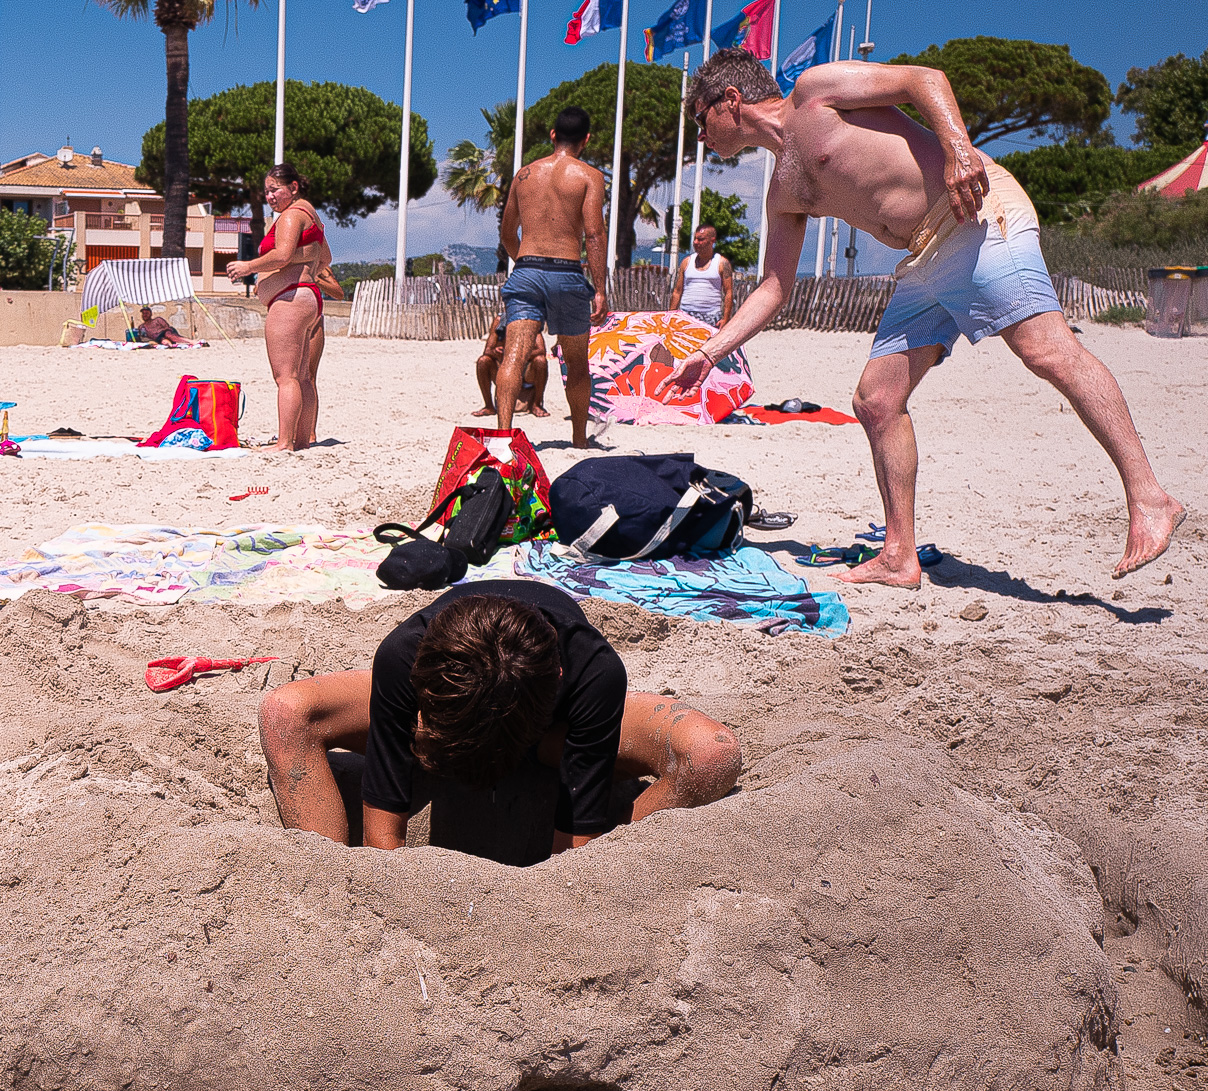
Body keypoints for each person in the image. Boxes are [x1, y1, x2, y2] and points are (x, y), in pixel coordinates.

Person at [670, 49, 1184, 585]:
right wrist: (710, 353)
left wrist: (960, 152)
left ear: (730, 101)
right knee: (877, 399)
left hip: (976, 215)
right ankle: (899, 554)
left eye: (699, 119)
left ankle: (1150, 499)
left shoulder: (814, 92)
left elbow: (924, 79)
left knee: (1046, 351)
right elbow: (776, 287)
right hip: (923, 256)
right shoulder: (783, 191)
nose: (700, 135)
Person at [258, 581, 742, 864]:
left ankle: (619, 857)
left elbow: (572, 848)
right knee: (285, 712)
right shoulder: (407, 654)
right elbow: (384, 837)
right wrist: (371, 895)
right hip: (453, 725)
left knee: (711, 754)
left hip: (549, 735)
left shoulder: (591, 671)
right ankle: (321, 879)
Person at [495, 107, 609, 450]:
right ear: (586, 139)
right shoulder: (589, 176)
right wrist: (600, 289)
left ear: (552, 135)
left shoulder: (524, 174)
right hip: (567, 272)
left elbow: (506, 234)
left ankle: (502, 436)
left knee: (513, 355)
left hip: (527, 271)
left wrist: (526, 262)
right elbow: (594, 234)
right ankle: (578, 439)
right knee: (576, 363)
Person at [226, 163, 327, 451]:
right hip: (308, 297)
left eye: (275, 189)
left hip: (290, 300)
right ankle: (302, 439)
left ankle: (284, 442)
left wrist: (249, 266)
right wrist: (304, 261)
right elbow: (324, 257)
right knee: (303, 377)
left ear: (293, 187)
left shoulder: (292, 215)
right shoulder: (312, 216)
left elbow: (281, 255)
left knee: (286, 377)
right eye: (266, 191)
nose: (269, 197)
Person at [473, 316, 548, 418]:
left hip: (526, 370)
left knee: (540, 361)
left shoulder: (530, 319)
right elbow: (488, 350)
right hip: (504, 368)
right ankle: (489, 406)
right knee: (483, 361)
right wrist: (497, 352)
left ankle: (537, 404)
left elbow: (541, 350)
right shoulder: (500, 321)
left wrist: (516, 354)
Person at [668, 223, 734, 328]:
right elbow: (677, 291)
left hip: (710, 316)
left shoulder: (722, 263)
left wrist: (725, 318)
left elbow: (728, 293)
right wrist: (670, 315)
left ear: (712, 240)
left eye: (700, 239)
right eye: (695, 239)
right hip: (686, 314)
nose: (695, 242)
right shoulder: (686, 262)